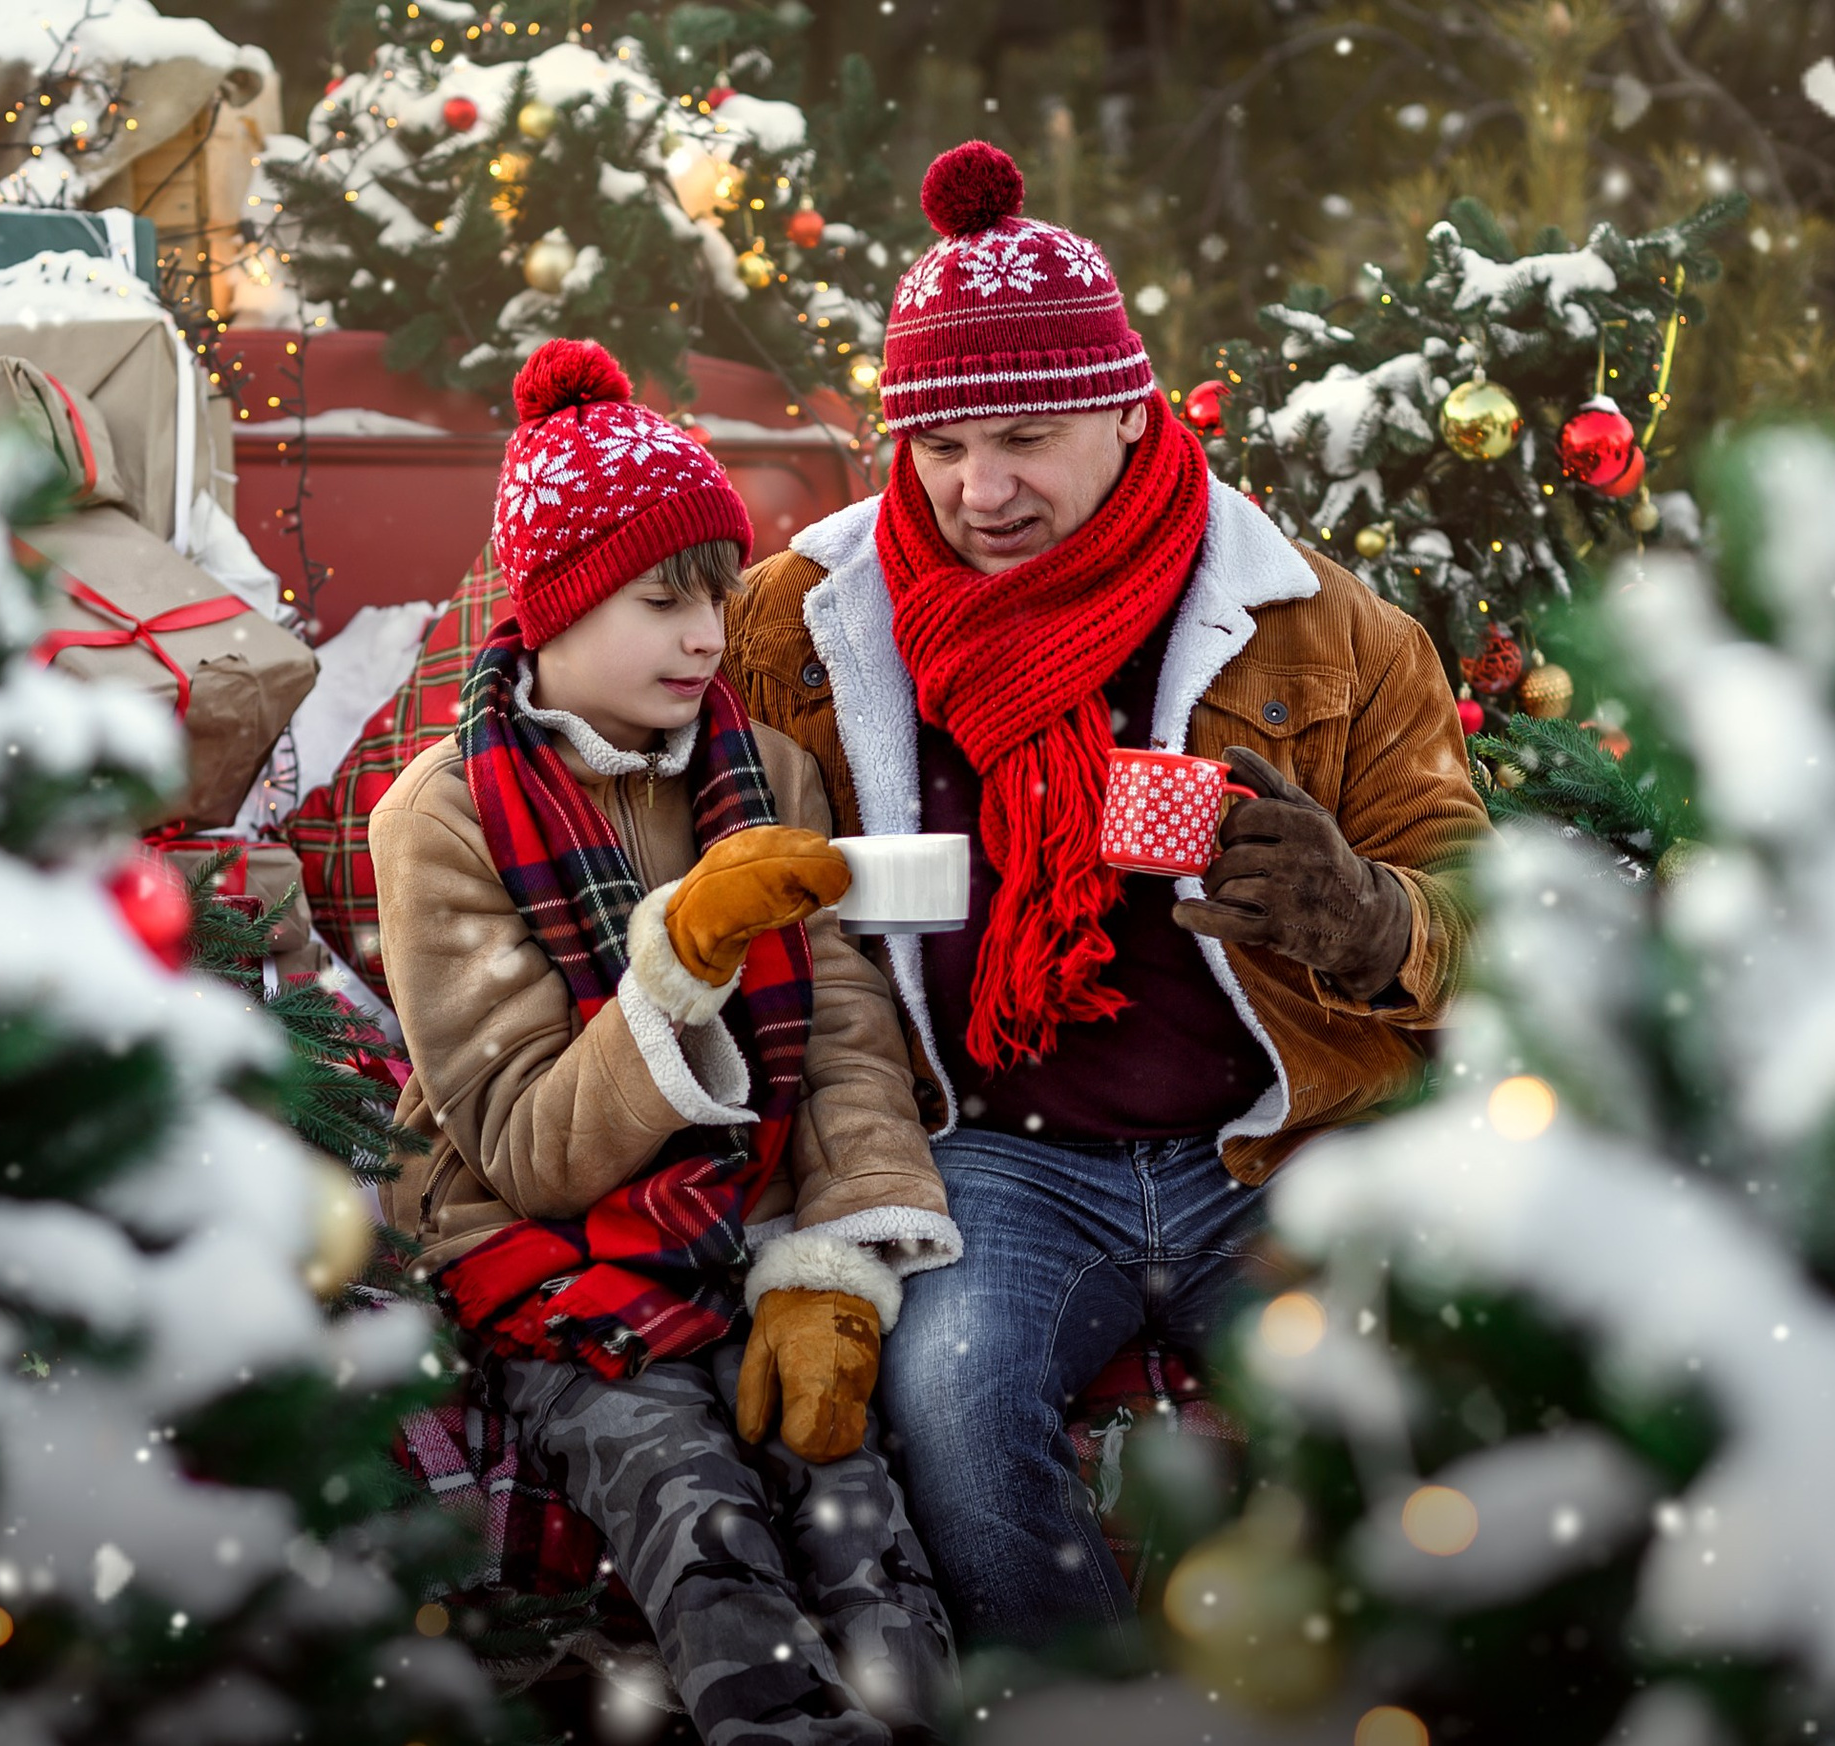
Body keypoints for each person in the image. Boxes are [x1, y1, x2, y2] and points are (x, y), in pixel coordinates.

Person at [725, 142, 1492, 1648]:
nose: (977, 489)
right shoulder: (809, 624)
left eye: (1025, 435)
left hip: (1265, 1148)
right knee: (950, 1409)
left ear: (1129, 412)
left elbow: (1487, 909)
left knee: (1389, 1424)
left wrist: (1364, 915)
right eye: (939, 444)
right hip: (998, 1158)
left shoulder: (1317, 626)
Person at [368, 340, 962, 1742]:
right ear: (559, 609)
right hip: (557, 1252)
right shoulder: (440, 819)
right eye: (664, 600)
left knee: (854, 1500)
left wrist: (834, 1264)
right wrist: (680, 961)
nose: (710, 637)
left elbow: (850, 1043)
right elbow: (523, 1142)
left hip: (746, 1222)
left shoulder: (771, 772)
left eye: (718, 595)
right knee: (688, 1494)